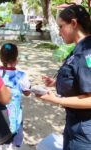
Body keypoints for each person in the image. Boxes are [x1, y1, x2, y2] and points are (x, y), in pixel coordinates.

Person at [38, 4, 91, 150]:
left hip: (84, 132)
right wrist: (56, 83)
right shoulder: (79, 48)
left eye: (61, 26)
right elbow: (79, 79)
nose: (59, 32)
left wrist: (57, 100)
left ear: (74, 23)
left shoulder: (87, 52)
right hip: (74, 124)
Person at [0, 43, 31, 149]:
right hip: (14, 117)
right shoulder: (21, 75)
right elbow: (27, 92)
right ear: (16, 58)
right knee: (11, 142)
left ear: (1, 58)